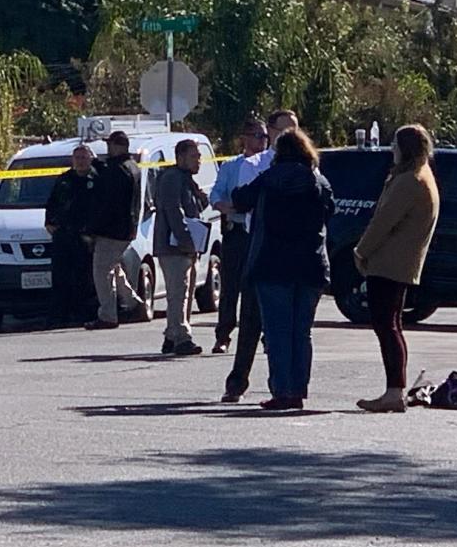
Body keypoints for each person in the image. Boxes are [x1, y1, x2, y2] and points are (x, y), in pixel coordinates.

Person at [232, 129, 334, 411]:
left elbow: (240, 198)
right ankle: (298, 389)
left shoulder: (269, 179)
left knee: (277, 331)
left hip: (273, 263)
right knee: (302, 332)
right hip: (311, 264)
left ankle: (282, 389)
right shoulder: (319, 181)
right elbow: (331, 210)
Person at [353, 124, 440, 413]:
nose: (392, 149)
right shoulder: (421, 175)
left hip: (389, 263)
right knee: (392, 325)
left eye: (396, 144)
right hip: (400, 263)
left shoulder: (410, 181)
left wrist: (361, 250)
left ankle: (394, 391)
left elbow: (383, 222)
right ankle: (395, 389)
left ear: (406, 148)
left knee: (386, 326)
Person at [219, 109, 299, 402]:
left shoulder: (310, 167)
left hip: (294, 250)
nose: (291, 135)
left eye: (295, 128)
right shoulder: (255, 165)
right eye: (284, 129)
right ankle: (237, 381)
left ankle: (285, 386)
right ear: (272, 132)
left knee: (286, 326)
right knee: (250, 319)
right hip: (261, 244)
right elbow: (242, 200)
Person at [85, 130, 149, 330]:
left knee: (101, 271)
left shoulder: (118, 170)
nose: (108, 148)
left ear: (119, 146)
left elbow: (107, 201)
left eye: (111, 144)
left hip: (112, 230)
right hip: (125, 229)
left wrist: (93, 228)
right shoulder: (131, 167)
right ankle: (134, 303)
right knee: (113, 268)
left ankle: (108, 315)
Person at [154, 139, 209, 356]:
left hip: (188, 246)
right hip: (174, 246)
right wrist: (186, 241)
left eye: (199, 156)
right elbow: (174, 212)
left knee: (185, 291)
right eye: (194, 156)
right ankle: (182, 338)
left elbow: (197, 207)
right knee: (178, 294)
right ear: (180, 157)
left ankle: (171, 335)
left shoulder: (186, 180)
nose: (199, 161)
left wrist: (198, 192)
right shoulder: (171, 179)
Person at [45, 145, 100, 325]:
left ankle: (84, 314)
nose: (80, 161)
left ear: (91, 159)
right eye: (77, 158)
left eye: (84, 158)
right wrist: (50, 224)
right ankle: (59, 316)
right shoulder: (64, 180)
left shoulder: (98, 179)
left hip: (86, 238)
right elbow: (51, 204)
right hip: (63, 236)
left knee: (85, 279)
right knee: (60, 277)